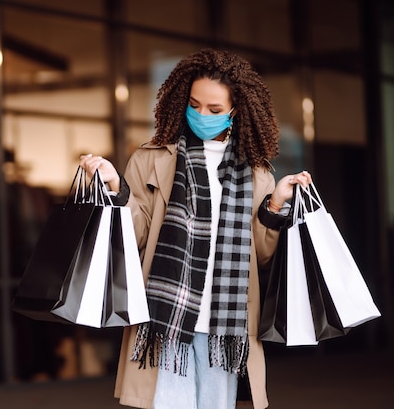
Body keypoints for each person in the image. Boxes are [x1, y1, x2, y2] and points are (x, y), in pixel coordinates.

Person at [80, 48, 311, 409]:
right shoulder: (150, 158)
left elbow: (262, 258)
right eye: (194, 104)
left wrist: (276, 205)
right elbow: (136, 235)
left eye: (215, 110)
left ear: (237, 111)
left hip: (226, 325)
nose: (201, 114)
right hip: (166, 318)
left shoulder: (257, 172)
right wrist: (115, 187)